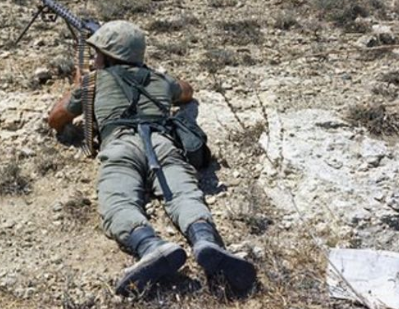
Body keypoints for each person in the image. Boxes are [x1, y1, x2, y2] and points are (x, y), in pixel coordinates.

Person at [47, 20, 256, 295]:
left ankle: (151, 247)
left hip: (120, 144)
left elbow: (56, 118)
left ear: (109, 56)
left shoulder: (93, 81)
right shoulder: (158, 79)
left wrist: (80, 85)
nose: (94, 57)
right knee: (184, 195)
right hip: (162, 142)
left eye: (97, 53)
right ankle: (206, 241)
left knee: (118, 202)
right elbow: (187, 91)